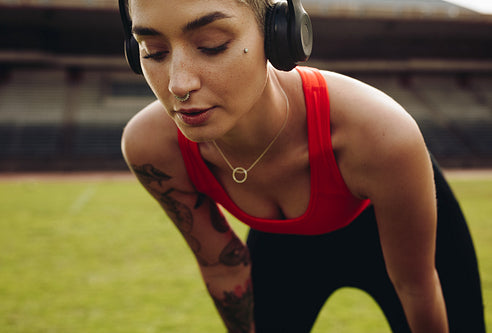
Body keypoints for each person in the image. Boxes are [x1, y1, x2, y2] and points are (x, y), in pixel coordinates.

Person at [119, 0, 485, 332]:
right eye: (154, 52)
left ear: (279, 36)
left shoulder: (382, 134)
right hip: (284, 250)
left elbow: (416, 286)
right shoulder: (151, 147)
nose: (179, 84)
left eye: (212, 45)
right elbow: (222, 267)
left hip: (399, 246)